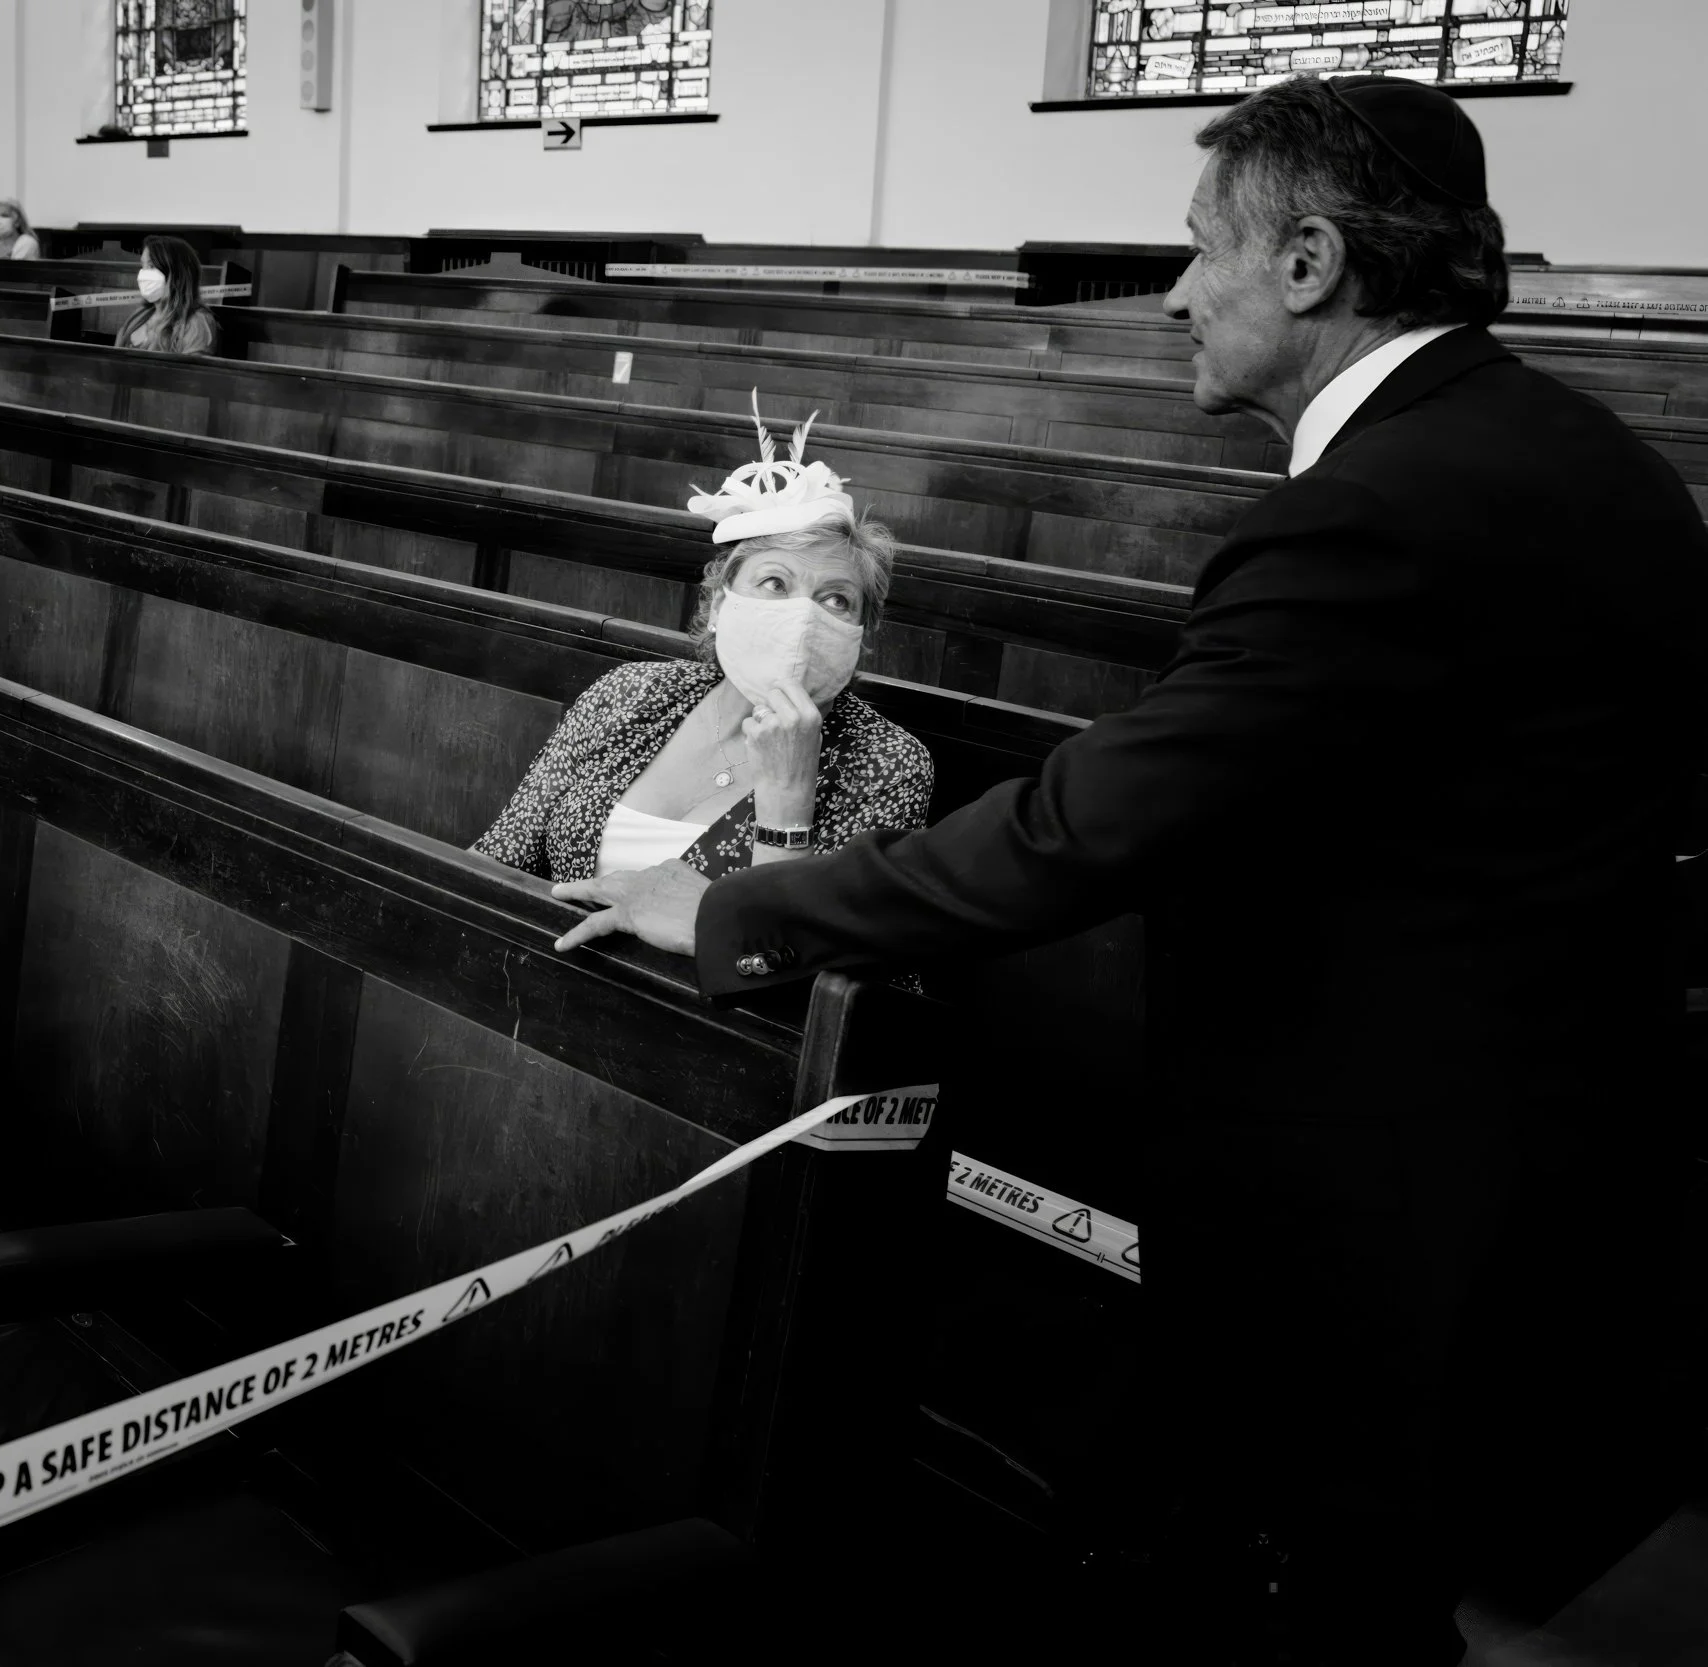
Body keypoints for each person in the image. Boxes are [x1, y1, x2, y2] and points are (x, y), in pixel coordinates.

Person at [548, 76, 1708, 1666]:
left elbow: (1095, 825)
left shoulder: (1383, 506)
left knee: (1331, 1577)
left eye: (1195, 251)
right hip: (1542, 1133)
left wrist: (741, 905)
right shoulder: (1594, 459)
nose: (1173, 293)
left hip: (1378, 1170)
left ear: (1306, 262)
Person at [477, 404, 932, 892]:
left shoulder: (886, 764)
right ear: (719, 604)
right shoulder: (629, 693)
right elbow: (499, 858)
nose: (802, 618)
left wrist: (790, 787)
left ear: (862, 635)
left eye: (836, 599)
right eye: (775, 583)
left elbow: (804, 951)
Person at [113, 235, 218, 356]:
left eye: (151, 266)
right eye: (143, 266)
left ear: (177, 274)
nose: (142, 274)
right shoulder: (141, 314)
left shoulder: (197, 322)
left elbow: (190, 373)